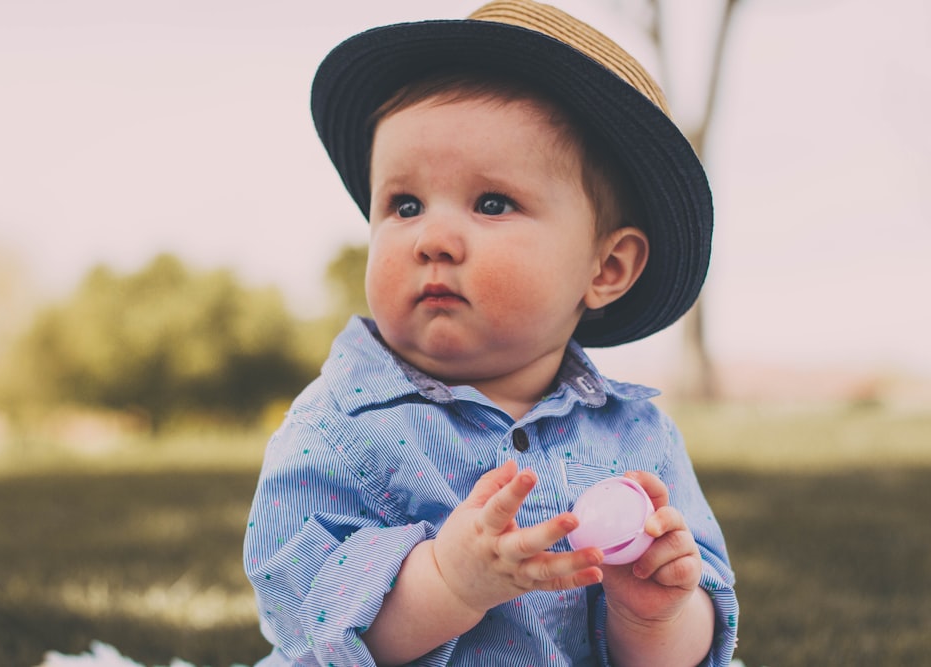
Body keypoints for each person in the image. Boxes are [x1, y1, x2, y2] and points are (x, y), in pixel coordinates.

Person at [243, 0, 738, 664]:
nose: (434, 238)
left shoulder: (639, 439)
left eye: (493, 203)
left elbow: (691, 639)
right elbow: (305, 612)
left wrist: (654, 614)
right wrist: (446, 582)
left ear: (607, 267)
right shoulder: (338, 425)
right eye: (405, 204)